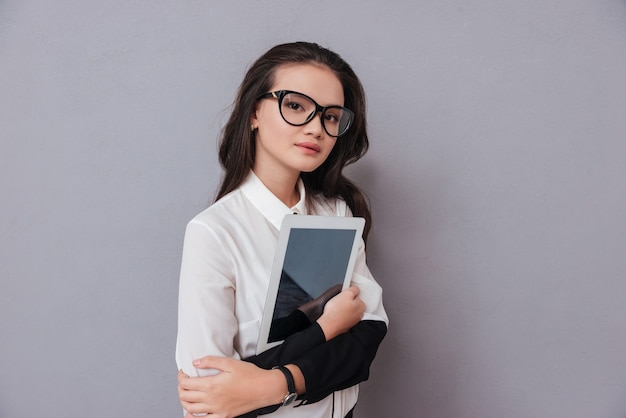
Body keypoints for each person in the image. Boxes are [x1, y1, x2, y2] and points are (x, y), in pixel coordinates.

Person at [175, 41, 388, 418]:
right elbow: (210, 393)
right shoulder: (215, 233)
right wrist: (325, 330)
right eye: (295, 106)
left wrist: (278, 382)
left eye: (332, 116)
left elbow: (366, 339)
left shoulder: (336, 214)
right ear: (254, 111)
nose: (317, 128)